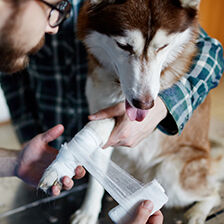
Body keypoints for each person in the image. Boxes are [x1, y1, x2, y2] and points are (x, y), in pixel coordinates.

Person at [0, 0, 223, 223]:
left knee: (176, 192)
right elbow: (14, 80)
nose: (55, 27)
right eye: (54, 11)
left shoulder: (149, 8)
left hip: (123, 159)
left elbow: (212, 53)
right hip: (55, 159)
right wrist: (22, 151)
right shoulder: (16, 27)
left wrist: (164, 106)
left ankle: (208, 195)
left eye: (61, 9)